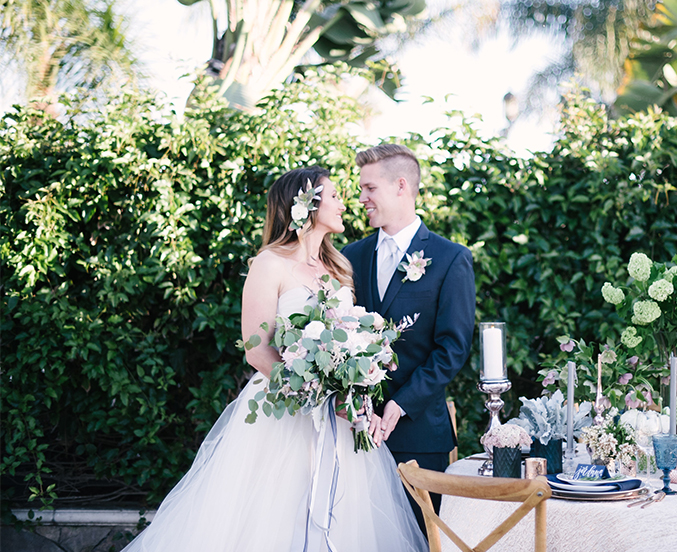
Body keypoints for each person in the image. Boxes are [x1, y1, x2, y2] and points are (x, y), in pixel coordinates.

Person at [123, 166, 427, 552]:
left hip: (341, 420)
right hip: (283, 415)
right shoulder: (270, 264)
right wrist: (316, 395)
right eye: (333, 196)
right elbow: (256, 349)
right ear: (307, 206)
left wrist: (349, 389)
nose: (342, 203)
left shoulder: (339, 269)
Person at [341, 144, 475, 529]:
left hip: (418, 437)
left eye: (369, 188)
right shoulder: (353, 256)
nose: (361, 198)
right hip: (355, 433)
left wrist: (399, 405)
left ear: (401, 186)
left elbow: (452, 348)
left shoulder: (451, 259)